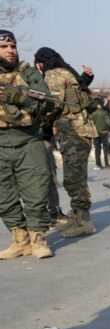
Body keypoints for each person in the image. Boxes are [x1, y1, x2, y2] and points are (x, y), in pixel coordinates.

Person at [0, 30, 54, 259]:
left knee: (36, 189)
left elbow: (46, 101)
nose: (10, 50)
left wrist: (15, 97)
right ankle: (19, 240)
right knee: (3, 193)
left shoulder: (27, 72)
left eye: (12, 46)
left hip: (27, 139)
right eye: (4, 47)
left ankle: (38, 239)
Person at [34, 46, 98, 238]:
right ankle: (77, 218)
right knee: (75, 176)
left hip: (73, 132)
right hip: (77, 131)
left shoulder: (53, 75)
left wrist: (37, 119)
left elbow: (53, 104)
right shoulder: (66, 72)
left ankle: (84, 222)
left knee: (73, 178)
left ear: (40, 63)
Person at [91, 99, 110, 170]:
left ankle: (98, 164)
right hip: (104, 132)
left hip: (95, 133)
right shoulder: (104, 113)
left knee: (97, 149)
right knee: (106, 148)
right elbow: (108, 122)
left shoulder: (93, 114)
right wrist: (109, 129)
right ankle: (107, 164)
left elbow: (90, 123)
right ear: (102, 105)